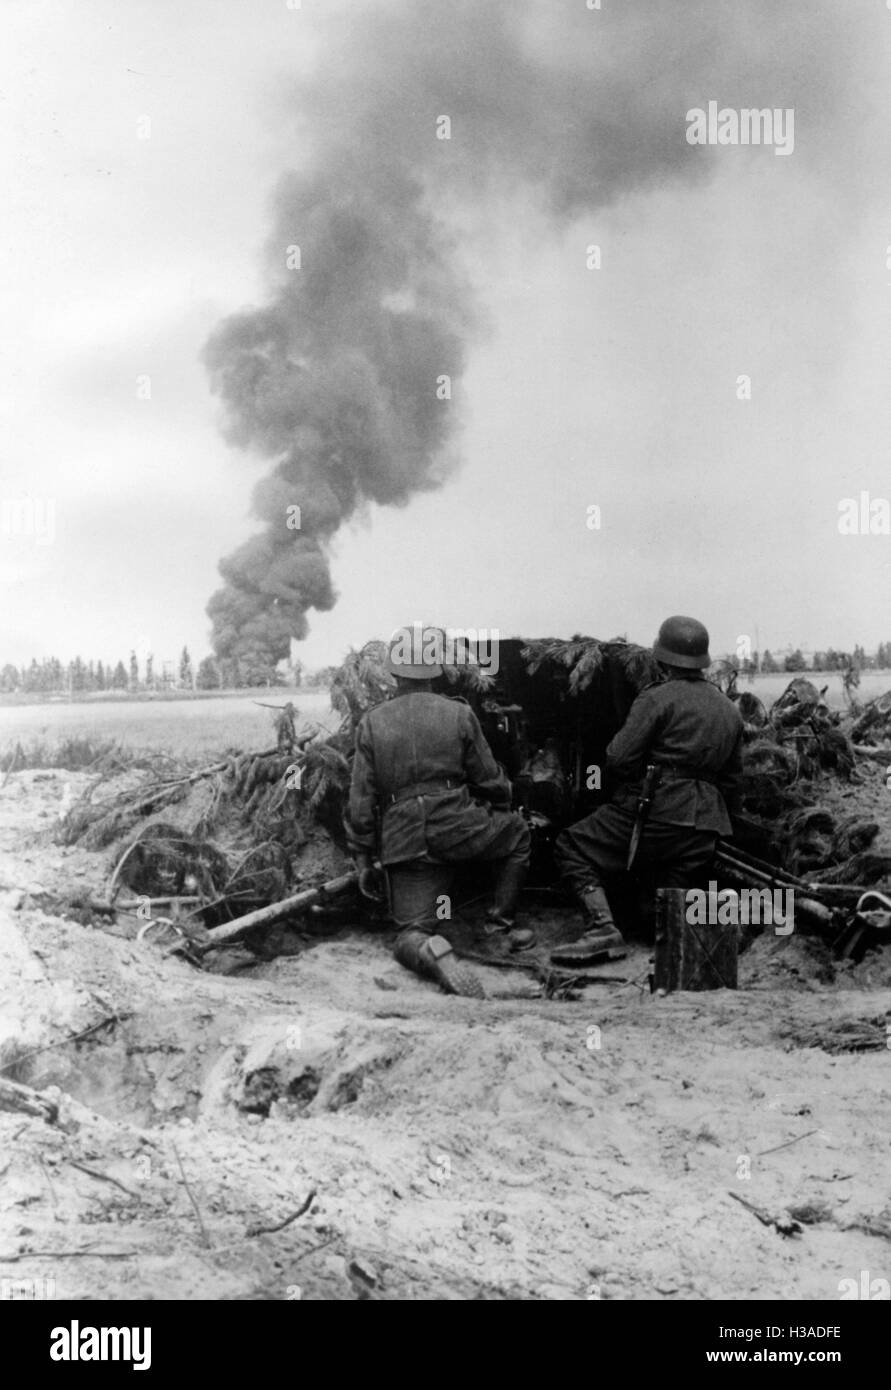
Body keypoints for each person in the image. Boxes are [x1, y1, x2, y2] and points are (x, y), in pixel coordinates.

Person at [346, 629, 532, 997]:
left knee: (410, 931)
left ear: (394, 674)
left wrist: (362, 857)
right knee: (519, 835)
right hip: (459, 825)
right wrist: (501, 805)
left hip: (405, 840)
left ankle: (429, 951)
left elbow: (361, 799)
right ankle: (498, 930)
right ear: (434, 673)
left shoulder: (372, 722)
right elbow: (489, 778)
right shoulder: (459, 713)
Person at [552, 615, 744, 966]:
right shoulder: (728, 709)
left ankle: (601, 929)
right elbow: (733, 781)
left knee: (571, 844)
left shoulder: (658, 698)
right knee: (661, 897)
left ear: (662, 658)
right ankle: (682, 937)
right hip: (705, 828)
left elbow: (618, 757)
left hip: (657, 812)